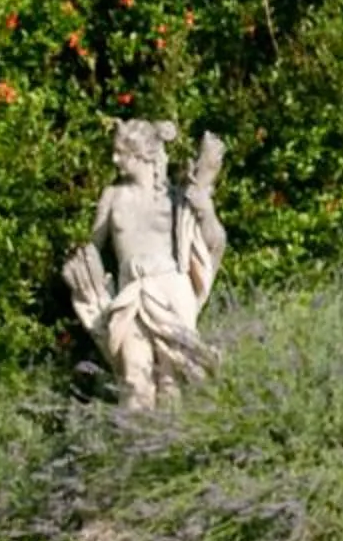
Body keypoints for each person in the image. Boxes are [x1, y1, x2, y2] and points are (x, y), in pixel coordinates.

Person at [61, 118, 226, 408]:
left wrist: (206, 209)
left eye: (120, 154)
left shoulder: (174, 197)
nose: (114, 160)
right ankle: (133, 449)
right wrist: (83, 275)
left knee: (171, 378)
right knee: (134, 378)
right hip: (131, 293)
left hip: (172, 290)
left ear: (143, 155)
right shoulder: (112, 196)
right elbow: (93, 245)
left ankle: (170, 449)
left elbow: (214, 243)